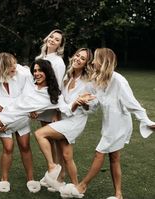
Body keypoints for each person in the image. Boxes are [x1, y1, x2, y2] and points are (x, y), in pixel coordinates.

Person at [76, 48, 155, 199]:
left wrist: (146, 121)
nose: (92, 62)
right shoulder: (96, 80)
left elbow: (133, 104)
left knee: (100, 153)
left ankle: (82, 185)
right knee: (114, 158)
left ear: (104, 61)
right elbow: (94, 106)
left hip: (120, 125)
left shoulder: (119, 80)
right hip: (108, 124)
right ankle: (118, 195)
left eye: (96, 59)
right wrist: (85, 104)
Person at [34, 48, 95, 198]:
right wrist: (55, 113)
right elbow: (60, 100)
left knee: (40, 133)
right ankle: (74, 187)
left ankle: (52, 167)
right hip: (65, 117)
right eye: (77, 56)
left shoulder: (88, 82)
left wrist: (85, 104)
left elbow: (94, 105)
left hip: (76, 121)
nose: (78, 59)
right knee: (67, 155)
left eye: (82, 58)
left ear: (86, 63)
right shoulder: (67, 77)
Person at [0, 52, 41, 193]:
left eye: (15, 63)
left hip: (22, 116)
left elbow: (30, 95)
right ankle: (4, 180)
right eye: (10, 66)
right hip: (3, 121)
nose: (14, 67)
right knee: (8, 148)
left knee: (24, 145)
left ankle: (30, 178)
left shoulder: (23, 75)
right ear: (2, 68)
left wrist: (33, 111)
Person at [35, 29, 67, 188]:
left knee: (56, 141)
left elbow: (59, 87)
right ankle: (52, 174)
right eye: (52, 37)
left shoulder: (58, 62)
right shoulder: (40, 58)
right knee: (47, 140)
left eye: (57, 39)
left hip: (52, 104)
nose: (53, 40)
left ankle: (60, 177)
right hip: (41, 103)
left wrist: (56, 111)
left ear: (60, 45)